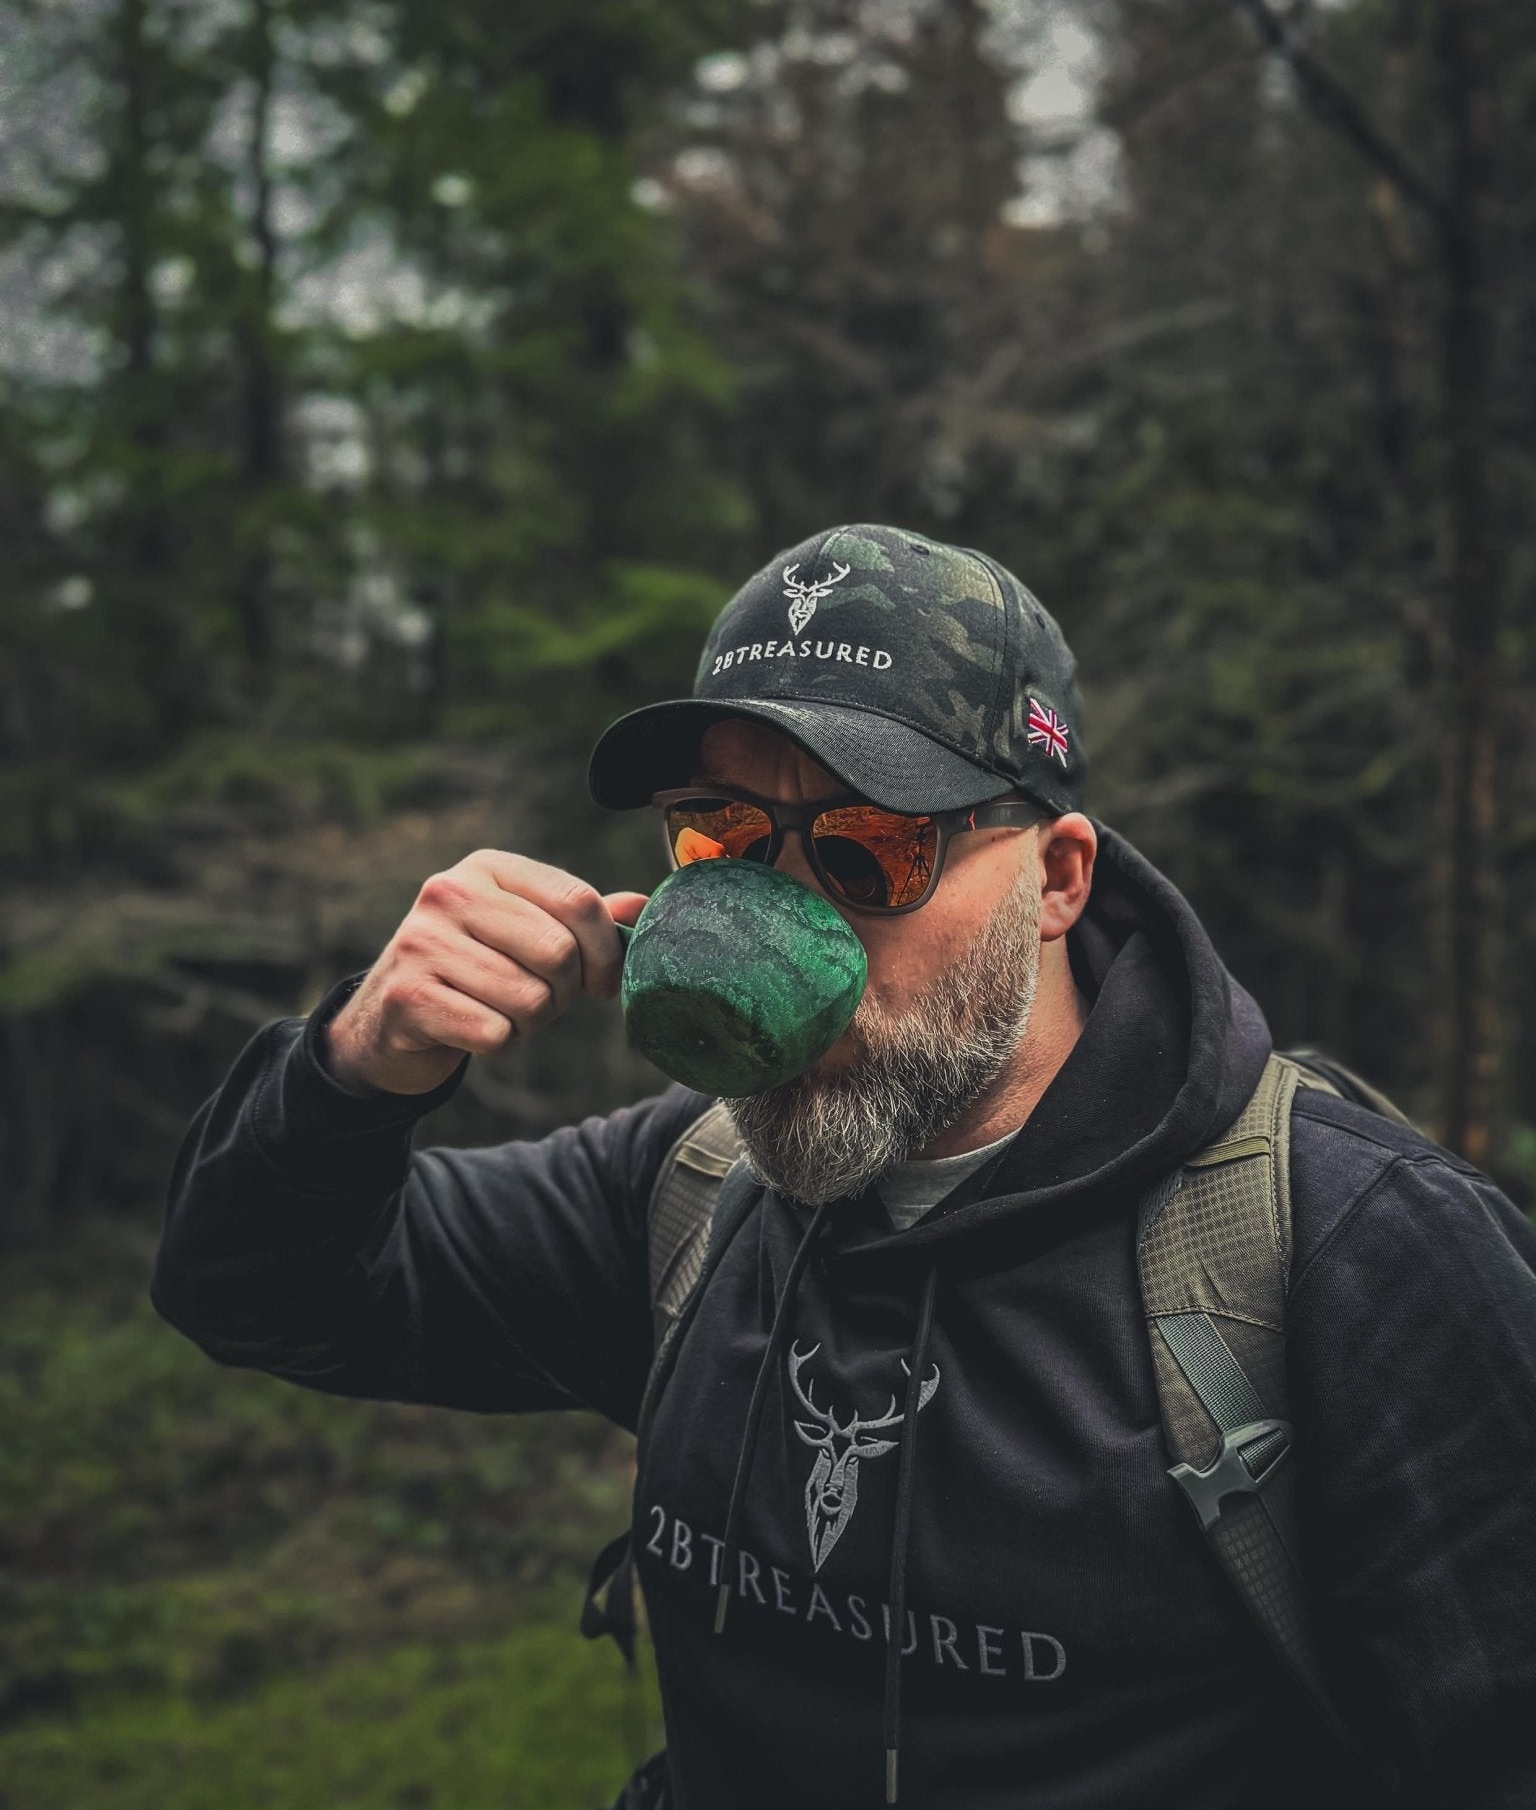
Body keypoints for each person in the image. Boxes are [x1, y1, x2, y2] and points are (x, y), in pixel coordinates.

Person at [151, 523, 1536, 1809]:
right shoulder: (692, 1189)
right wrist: (359, 1066)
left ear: (1057, 880)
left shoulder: (1347, 1250)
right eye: (723, 839)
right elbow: (252, 1285)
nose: (786, 907)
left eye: (876, 847)